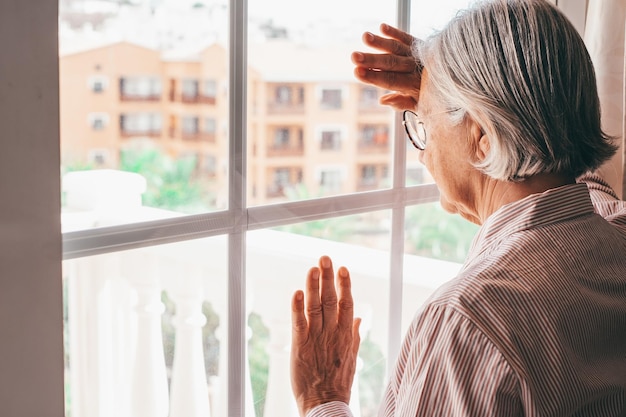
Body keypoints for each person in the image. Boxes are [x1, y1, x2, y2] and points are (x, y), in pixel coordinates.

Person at [290, 0, 626, 416]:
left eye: (424, 124)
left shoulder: (466, 324)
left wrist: (322, 400)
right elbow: (586, 187)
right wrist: (447, 81)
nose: (423, 153)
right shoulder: (617, 231)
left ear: (482, 135)